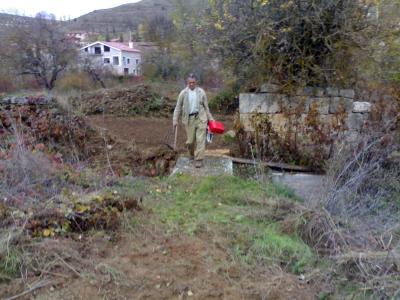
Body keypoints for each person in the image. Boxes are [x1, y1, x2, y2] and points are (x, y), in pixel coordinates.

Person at [173, 74, 214, 168]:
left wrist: (211, 119)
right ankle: (191, 154)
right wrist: (175, 120)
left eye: (193, 82)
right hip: (189, 120)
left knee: (200, 140)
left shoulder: (201, 92)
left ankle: (199, 159)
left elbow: (206, 107)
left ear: (196, 83)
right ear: (187, 83)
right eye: (190, 82)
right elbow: (178, 107)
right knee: (190, 141)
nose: (191, 84)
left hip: (200, 118)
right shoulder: (183, 93)